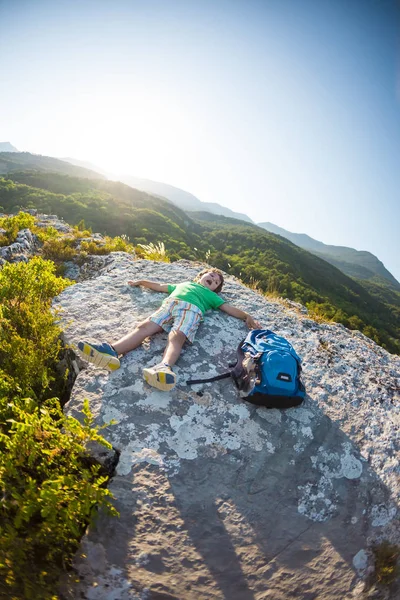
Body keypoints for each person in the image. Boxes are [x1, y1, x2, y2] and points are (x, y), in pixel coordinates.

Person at [77, 267, 260, 391]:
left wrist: (246, 316)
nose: (212, 279)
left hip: (191, 310)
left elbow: (228, 308)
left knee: (177, 336)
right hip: (168, 306)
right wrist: (141, 281)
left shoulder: (211, 296)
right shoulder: (182, 284)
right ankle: (112, 351)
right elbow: (160, 286)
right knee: (144, 327)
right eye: (210, 276)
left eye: (216, 282)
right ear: (199, 276)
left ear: (215, 290)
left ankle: (164, 368)